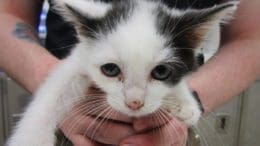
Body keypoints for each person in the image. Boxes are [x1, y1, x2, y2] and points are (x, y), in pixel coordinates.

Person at [0, 0, 259, 146]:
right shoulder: (87, 48)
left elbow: (253, 36)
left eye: (159, 70)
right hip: (70, 128)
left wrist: (189, 101)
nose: (134, 101)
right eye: (111, 70)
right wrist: (62, 97)